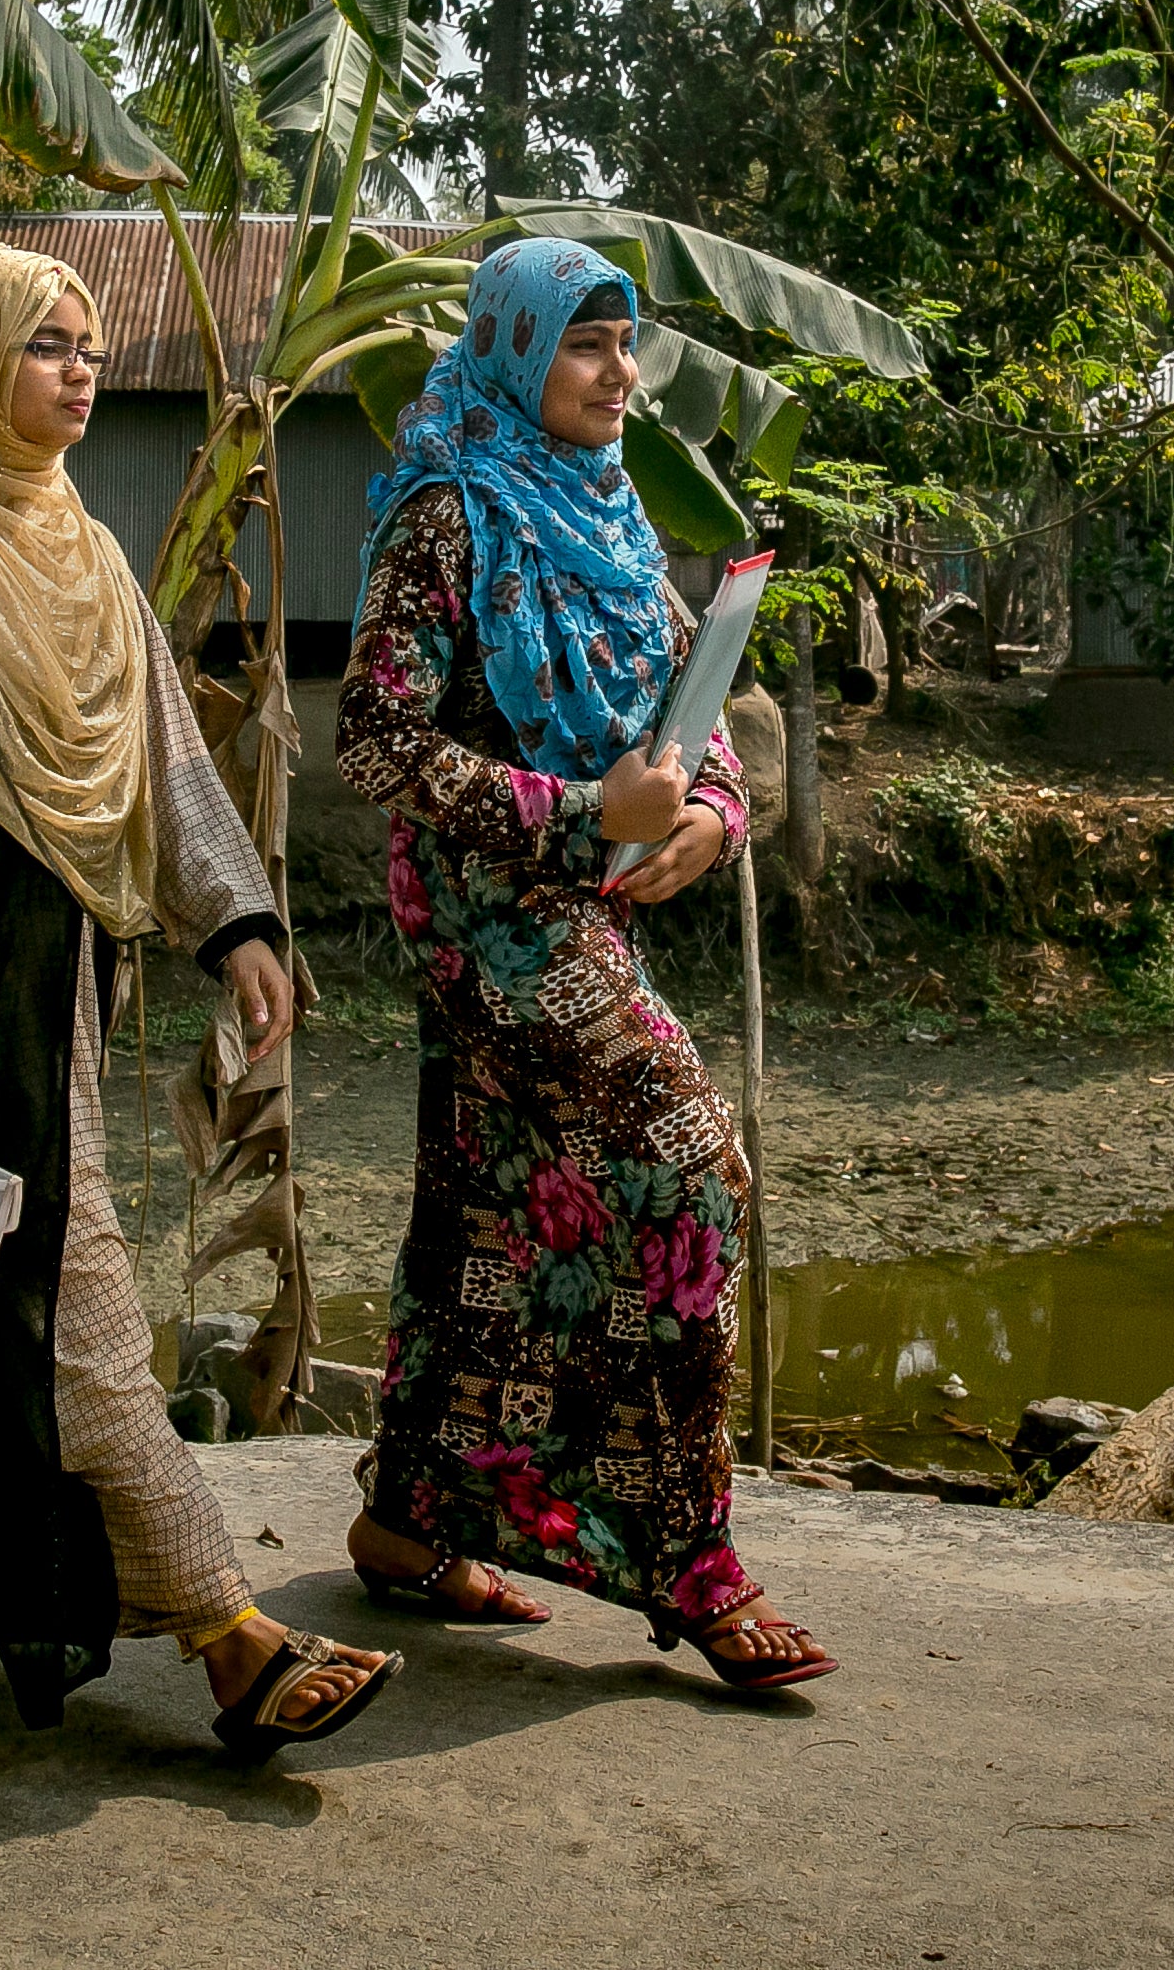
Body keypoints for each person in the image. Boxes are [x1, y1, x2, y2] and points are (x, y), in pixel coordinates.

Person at [0, 240, 398, 1761]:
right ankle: (235, 1640)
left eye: (85, 345)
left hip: (64, 991)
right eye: (43, 345)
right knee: (64, 1328)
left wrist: (232, 916)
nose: (79, 368)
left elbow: (165, 757)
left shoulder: (86, 554)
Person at [332, 237, 838, 1691]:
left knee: (481, 1207)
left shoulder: (607, 513)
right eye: (587, 343)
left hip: (587, 910)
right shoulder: (449, 513)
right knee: (693, 1168)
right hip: (485, 920)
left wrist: (716, 817)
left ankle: (409, 1516)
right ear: (513, 348)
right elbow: (373, 738)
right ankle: (690, 1553)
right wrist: (574, 817)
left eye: (631, 343)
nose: (622, 373)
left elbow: (694, 702)